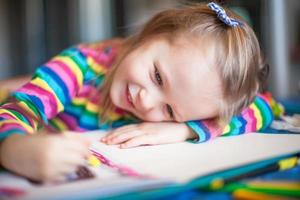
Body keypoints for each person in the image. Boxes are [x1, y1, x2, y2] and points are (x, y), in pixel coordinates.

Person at [0, 2, 281, 183]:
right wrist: (13, 148)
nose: (147, 102)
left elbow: (268, 107)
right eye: (157, 76)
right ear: (150, 33)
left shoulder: (186, 107)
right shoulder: (79, 66)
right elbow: (21, 109)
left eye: (170, 111)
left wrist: (185, 130)